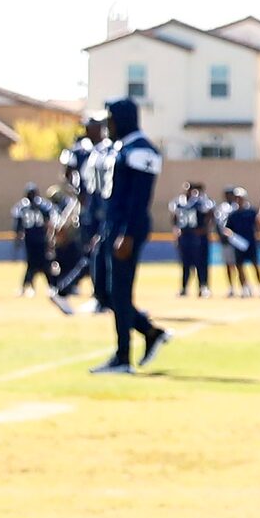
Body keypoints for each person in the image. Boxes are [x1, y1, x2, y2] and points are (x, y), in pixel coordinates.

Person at [89, 96, 169, 374]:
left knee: (120, 292)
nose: (107, 125)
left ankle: (123, 357)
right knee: (103, 290)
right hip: (111, 226)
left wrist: (127, 233)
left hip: (127, 228)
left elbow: (139, 198)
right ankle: (149, 331)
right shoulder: (121, 147)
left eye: (110, 119)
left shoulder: (142, 149)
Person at [52, 111, 111, 313]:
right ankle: (67, 290)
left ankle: (100, 296)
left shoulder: (106, 149)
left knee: (98, 252)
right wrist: (78, 193)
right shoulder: (80, 150)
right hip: (89, 207)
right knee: (95, 251)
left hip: (103, 205)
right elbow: (68, 174)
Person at [217, 187, 260, 299]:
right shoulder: (233, 214)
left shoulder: (251, 212)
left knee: (255, 265)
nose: (238, 200)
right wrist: (231, 236)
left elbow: (258, 225)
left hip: (251, 243)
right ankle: (244, 288)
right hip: (239, 244)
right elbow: (227, 228)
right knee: (240, 267)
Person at [171, 183, 214, 295]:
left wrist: (205, 228)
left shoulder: (200, 202)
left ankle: (203, 286)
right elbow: (174, 217)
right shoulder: (179, 202)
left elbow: (210, 212)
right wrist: (176, 230)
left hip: (198, 236)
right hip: (185, 236)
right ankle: (184, 287)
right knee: (186, 264)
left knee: (201, 263)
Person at [13, 184, 55, 295]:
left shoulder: (22, 207)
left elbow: (18, 227)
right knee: (37, 264)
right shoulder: (42, 206)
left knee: (38, 264)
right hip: (37, 239)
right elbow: (48, 223)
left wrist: (17, 240)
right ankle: (45, 286)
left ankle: (41, 286)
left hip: (34, 239)